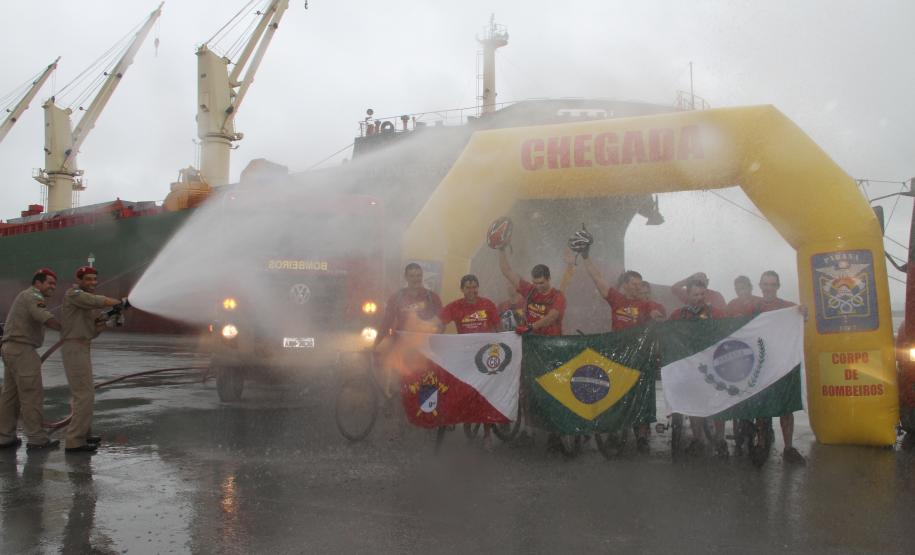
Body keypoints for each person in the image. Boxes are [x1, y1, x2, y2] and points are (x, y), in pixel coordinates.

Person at [60, 266, 122, 454]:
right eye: (88, 279)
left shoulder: (84, 304)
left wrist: (109, 322)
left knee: (85, 392)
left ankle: (84, 434)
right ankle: (74, 441)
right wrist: (118, 302)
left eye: (95, 279)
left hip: (82, 346)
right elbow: (95, 301)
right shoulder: (74, 294)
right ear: (79, 280)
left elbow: (92, 329)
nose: (93, 282)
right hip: (74, 347)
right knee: (84, 394)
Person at [0, 269, 62, 451]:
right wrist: (66, 328)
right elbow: (44, 317)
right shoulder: (33, 295)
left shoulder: (25, 296)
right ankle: (37, 439)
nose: (53, 287)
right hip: (22, 350)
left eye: (55, 284)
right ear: (38, 283)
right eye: (49, 283)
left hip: (10, 349)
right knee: (31, 395)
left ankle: (4, 437)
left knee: (10, 396)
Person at [439, 274, 500, 450]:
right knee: (458, 388)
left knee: (485, 395)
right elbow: (440, 323)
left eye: (474, 287)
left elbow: (499, 328)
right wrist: (434, 336)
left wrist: (504, 342)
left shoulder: (487, 304)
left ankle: (487, 435)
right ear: (462, 289)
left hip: (486, 357)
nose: (472, 290)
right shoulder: (455, 306)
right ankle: (453, 417)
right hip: (465, 356)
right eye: (468, 287)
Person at [669, 278, 729, 457]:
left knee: (718, 403)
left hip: (713, 365)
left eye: (702, 294)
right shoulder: (678, 315)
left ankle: (720, 438)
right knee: (694, 403)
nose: (699, 298)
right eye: (695, 294)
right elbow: (667, 332)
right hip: (690, 367)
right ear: (687, 295)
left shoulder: (716, 313)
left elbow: (730, 329)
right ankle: (698, 439)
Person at [754, 270, 807, 465]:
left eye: (772, 284)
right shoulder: (754, 308)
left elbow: (804, 321)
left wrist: (804, 313)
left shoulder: (789, 307)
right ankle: (761, 444)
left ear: (777, 286)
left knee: (786, 407)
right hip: (762, 364)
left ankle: (788, 448)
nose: (768, 288)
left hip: (785, 363)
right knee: (761, 407)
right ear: (760, 286)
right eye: (765, 284)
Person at [375, 263, 443, 396]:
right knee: (400, 385)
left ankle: (421, 407)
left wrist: (435, 338)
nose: (415, 279)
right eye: (412, 276)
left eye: (418, 275)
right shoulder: (397, 297)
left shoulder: (432, 297)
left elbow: (441, 322)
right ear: (405, 277)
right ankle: (399, 404)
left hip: (424, 350)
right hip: (402, 349)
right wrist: (376, 344)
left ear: (422, 276)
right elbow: (386, 323)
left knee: (424, 384)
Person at [498, 250, 566, 336]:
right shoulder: (529, 290)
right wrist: (501, 249)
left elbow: (551, 317)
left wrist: (531, 327)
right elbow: (507, 271)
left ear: (549, 279)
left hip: (550, 340)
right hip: (530, 338)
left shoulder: (558, 296)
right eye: (535, 283)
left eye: (541, 283)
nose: (538, 286)